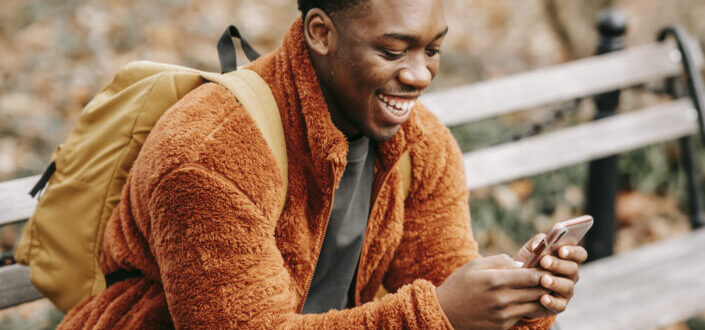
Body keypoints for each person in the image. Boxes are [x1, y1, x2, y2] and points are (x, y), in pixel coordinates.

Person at [58, 0, 587, 329]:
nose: (420, 74)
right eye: (394, 50)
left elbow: (447, 278)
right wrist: (441, 317)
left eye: (432, 49)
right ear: (320, 32)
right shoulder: (209, 154)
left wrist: (516, 302)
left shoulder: (419, 145)